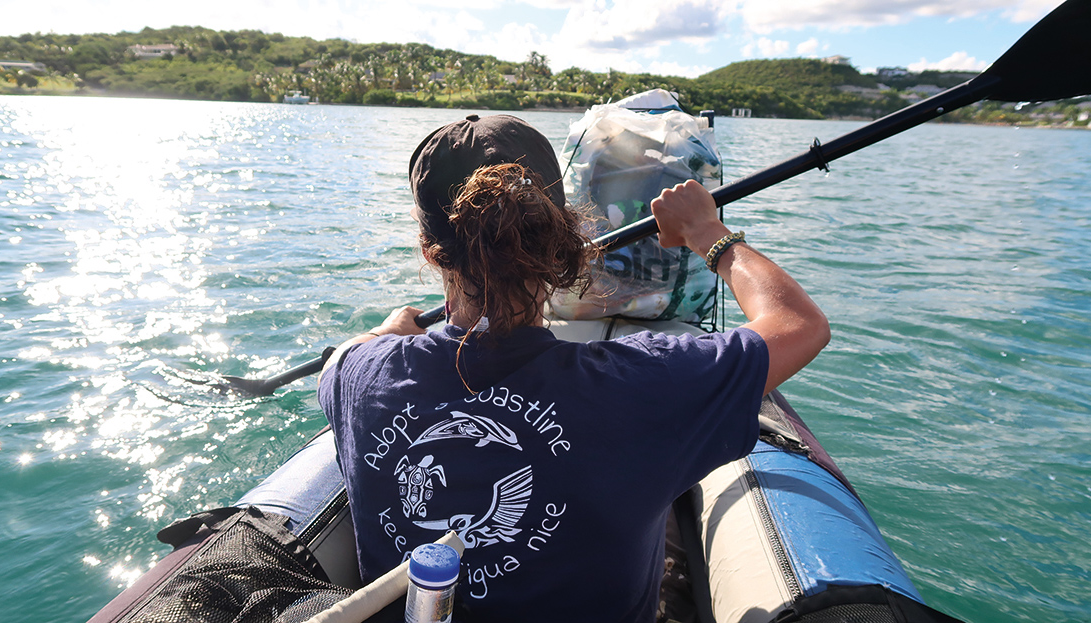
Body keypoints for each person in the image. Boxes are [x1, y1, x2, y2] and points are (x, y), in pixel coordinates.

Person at [318, 114, 829, 622]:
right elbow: (799, 325)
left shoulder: (358, 375)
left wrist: (385, 333)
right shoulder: (643, 385)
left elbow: (342, 358)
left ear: (431, 252)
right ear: (559, 236)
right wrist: (708, 233)